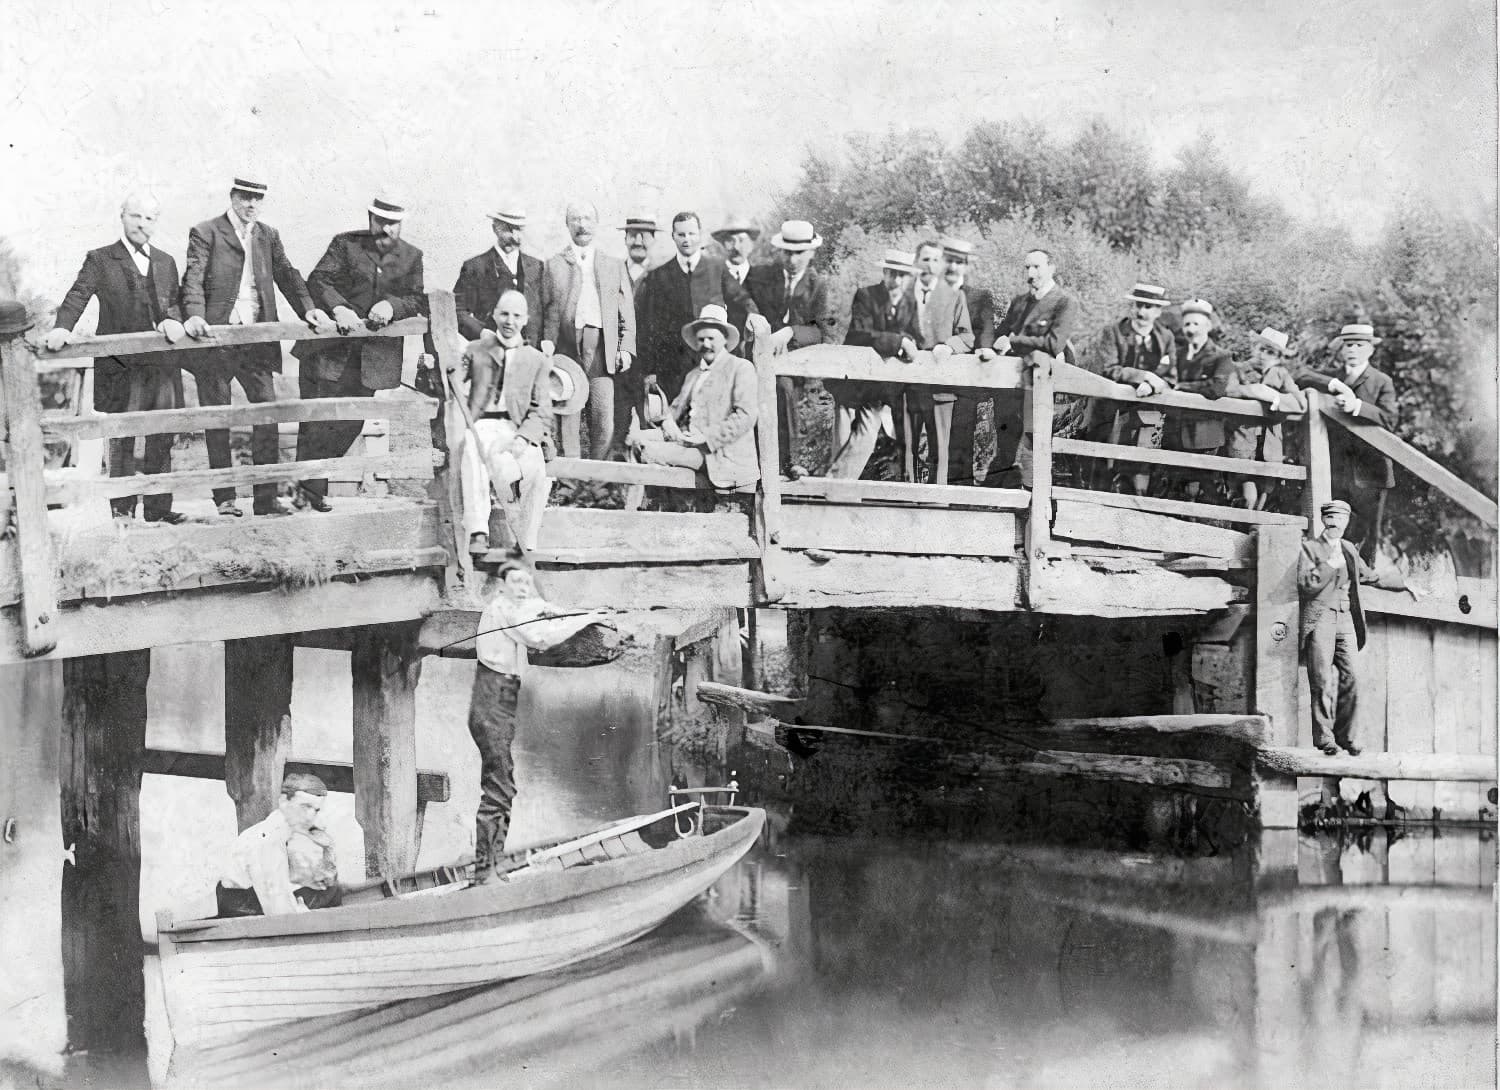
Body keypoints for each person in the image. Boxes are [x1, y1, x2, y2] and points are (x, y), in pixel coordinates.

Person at [182, 175, 330, 517]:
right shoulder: (205, 232)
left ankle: (266, 499)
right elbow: (192, 278)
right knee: (218, 419)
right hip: (216, 341)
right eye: (245, 197)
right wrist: (194, 315)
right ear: (232, 196)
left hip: (256, 343)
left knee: (268, 415)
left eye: (257, 199)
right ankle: (226, 499)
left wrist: (310, 309)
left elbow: (288, 275)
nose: (251, 204)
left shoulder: (267, 235)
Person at [44, 191, 189, 523]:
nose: (142, 223)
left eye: (149, 218)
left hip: (162, 366)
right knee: (122, 439)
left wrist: (175, 320)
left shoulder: (166, 261)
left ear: (156, 223)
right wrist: (63, 327)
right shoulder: (100, 259)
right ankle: (122, 512)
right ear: (122, 216)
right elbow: (78, 294)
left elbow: (176, 303)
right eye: (136, 216)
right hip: (122, 366)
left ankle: (158, 510)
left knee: (161, 436)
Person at [469, 555, 611, 881]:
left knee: (504, 786)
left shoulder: (512, 605)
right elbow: (540, 638)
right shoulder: (504, 610)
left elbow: (542, 607)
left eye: (527, 582)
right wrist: (586, 618)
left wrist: (574, 613)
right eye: (517, 583)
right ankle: (483, 873)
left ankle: (494, 867)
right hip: (491, 701)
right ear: (503, 586)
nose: (525, 589)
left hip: (498, 698)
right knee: (499, 789)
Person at [293, 194, 426, 511]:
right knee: (318, 422)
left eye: (394, 223)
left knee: (352, 423)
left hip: (370, 360)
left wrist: (391, 306)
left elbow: (415, 299)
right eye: (381, 221)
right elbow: (319, 280)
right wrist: (338, 307)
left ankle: (308, 483)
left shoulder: (411, 257)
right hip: (328, 354)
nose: (387, 229)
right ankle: (309, 493)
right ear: (370, 219)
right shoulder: (345, 244)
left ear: (401, 223)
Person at [1299, 500, 1418, 756]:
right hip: (1321, 618)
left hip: (1345, 621)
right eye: (1330, 519)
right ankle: (1324, 738)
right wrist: (1329, 564)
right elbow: (1306, 584)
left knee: (1354, 677)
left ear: (1346, 522)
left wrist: (1405, 583)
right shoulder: (1310, 549)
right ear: (1324, 521)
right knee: (1320, 680)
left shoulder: (1349, 549)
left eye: (1340, 519)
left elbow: (1370, 576)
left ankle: (1347, 736)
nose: (1335, 524)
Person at [1293, 323, 1398, 562]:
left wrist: (1358, 407)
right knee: (1334, 523)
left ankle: (1364, 577)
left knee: (1369, 529)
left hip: (1371, 468)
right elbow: (1298, 375)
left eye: (1359, 345)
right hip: (1338, 467)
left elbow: (1390, 419)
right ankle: (1335, 574)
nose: (1352, 350)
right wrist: (1334, 385)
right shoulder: (1333, 376)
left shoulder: (1382, 381)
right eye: (1348, 345)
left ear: (1370, 350)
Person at [628, 303, 760, 492]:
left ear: (724, 339)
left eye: (711, 339)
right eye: (701, 339)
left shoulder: (740, 368)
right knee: (635, 440)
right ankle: (646, 502)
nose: (706, 345)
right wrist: (665, 421)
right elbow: (674, 413)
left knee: (649, 451)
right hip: (691, 444)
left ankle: (654, 502)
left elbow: (746, 416)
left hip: (723, 454)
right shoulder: (694, 375)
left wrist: (706, 438)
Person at [541, 201, 636, 460]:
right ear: (567, 224)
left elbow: (626, 312)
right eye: (575, 219)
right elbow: (547, 310)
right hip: (566, 347)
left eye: (587, 219)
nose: (581, 224)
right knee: (567, 412)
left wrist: (625, 349)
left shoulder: (613, 264)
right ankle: (570, 481)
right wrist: (547, 347)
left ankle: (599, 483)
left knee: (602, 416)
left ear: (596, 223)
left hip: (601, 347)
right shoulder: (553, 265)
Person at [460, 290, 553, 553]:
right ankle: (478, 530)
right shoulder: (476, 349)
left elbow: (541, 409)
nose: (509, 322)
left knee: (537, 470)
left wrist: (524, 437)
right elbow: (452, 383)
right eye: (503, 314)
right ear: (493, 315)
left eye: (516, 316)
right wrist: (441, 369)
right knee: (470, 447)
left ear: (526, 319)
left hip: (516, 428)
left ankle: (527, 542)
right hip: (482, 424)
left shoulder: (536, 359)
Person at [744, 220, 838, 479]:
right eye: (787, 252)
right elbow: (744, 303)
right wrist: (754, 322)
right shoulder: (761, 277)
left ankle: (787, 463)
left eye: (799, 253)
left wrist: (791, 332)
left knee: (783, 386)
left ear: (811, 253)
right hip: (759, 353)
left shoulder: (820, 286)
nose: (792, 259)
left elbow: (825, 331)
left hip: (798, 360)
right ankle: (758, 464)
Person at [634, 212, 758, 403]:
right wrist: (649, 370)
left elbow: (742, 300)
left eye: (691, 234)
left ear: (699, 235)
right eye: (681, 235)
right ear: (673, 236)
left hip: (711, 358)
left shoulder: (717, 268)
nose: (687, 240)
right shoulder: (659, 276)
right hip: (672, 365)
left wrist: (753, 317)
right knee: (675, 417)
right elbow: (647, 325)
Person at [983, 248, 1080, 488]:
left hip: (1038, 384)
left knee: (1034, 440)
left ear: (1051, 268)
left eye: (1036, 267)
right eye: (1027, 267)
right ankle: (1001, 499)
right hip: (1009, 385)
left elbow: (1053, 343)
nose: (1031, 273)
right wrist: (990, 346)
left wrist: (1014, 341)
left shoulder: (1064, 302)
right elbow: (1001, 333)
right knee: (1004, 439)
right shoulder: (1019, 302)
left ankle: (1035, 497)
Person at [827, 250, 920, 479]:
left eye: (902, 275)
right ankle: (830, 492)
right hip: (854, 382)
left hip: (883, 389)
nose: (896, 279)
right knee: (844, 440)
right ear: (885, 272)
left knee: (865, 439)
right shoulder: (866, 296)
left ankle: (833, 487)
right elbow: (861, 333)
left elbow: (916, 336)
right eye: (892, 273)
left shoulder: (910, 303)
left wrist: (909, 342)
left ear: (909, 278)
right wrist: (899, 341)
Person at [1089, 282, 1177, 495]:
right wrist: (1143, 376)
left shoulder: (1165, 337)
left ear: (1158, 311)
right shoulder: (1114, 332)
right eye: (1139, 305)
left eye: (1148, 307)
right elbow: (1109, 369)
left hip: (1147, 411)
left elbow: (1171, 375)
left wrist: (1153, 385)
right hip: (1111, 409)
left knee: (1140, 467)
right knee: (1102, 461)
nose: (1141, 311)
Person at [215, 772, 341, 916]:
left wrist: (328, 848)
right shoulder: (268, 838)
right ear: (283, 802)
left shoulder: (289, 831)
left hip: (254, 897)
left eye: (316, 810)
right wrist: (300, 916)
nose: (310, 816)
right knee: (332, 895)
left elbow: (321, 881)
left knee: (332, 892)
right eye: (305, 806)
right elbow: (276, 907)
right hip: (240, 906)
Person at [903, 240, 973, 484]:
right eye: (925, 259)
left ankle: (938, 501)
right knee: (906, 447)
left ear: (941, 264)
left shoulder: (954, 296)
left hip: (940, 386)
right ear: (915, 262)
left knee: (940, 450)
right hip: (907, 383)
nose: (930, 265)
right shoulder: (902, 292)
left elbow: (967, 337)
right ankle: (905, 499)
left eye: (935, 260)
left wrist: (948, 346)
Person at [1225, 326, 1306, 510]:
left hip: (1270, 440)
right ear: (1254, 348)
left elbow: (1300, 402)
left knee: (1265, 493)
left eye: (1270, 352)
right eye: (1261, 349)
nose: (1263, 355)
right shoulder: (1240, 369)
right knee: (1248, 495)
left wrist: (1274, 397)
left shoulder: (1281, 374)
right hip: (1243, 436)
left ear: (1278, 357)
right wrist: (1252, 391)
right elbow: (1229, 390)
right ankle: (1241, 528)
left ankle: (1252, 531)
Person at [1163, 298, 1235, 501]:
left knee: (1205, 489)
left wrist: (1182, 387)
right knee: (1175, 489)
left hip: (1204, 432)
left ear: (1208, 326)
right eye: (1187, 324)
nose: (1191, 329)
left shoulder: (1221, 357)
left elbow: (1216, 388)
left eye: (1196, 324)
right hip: (1174, 431)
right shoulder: (1176, 355)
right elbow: (1164, 378)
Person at [938, 238, 995, 487]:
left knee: (961, 435)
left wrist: (984, 348)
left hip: (963, 380)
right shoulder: (931, 293)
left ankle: (959, 493)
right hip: (932, 378)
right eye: (948, 260)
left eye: (958, 262)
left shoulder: (979, 297)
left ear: (967, 266)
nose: (952, 267)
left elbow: (985, 330)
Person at [454, 205, 545, 346]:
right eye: (509, 229)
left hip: (528, 353)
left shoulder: (536, 266)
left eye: (519, 229)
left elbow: (545, 312)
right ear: (495, 228)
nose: (516, 236)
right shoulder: (475, 267)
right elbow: (458, 311)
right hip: (490, 351)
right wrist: (482, 332)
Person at [619, 212, 658, 288]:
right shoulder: (614, 273)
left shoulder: (663, 274)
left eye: (644, 236)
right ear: (625, 239)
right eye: (633, 235)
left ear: (653, 240)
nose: (638, 242)